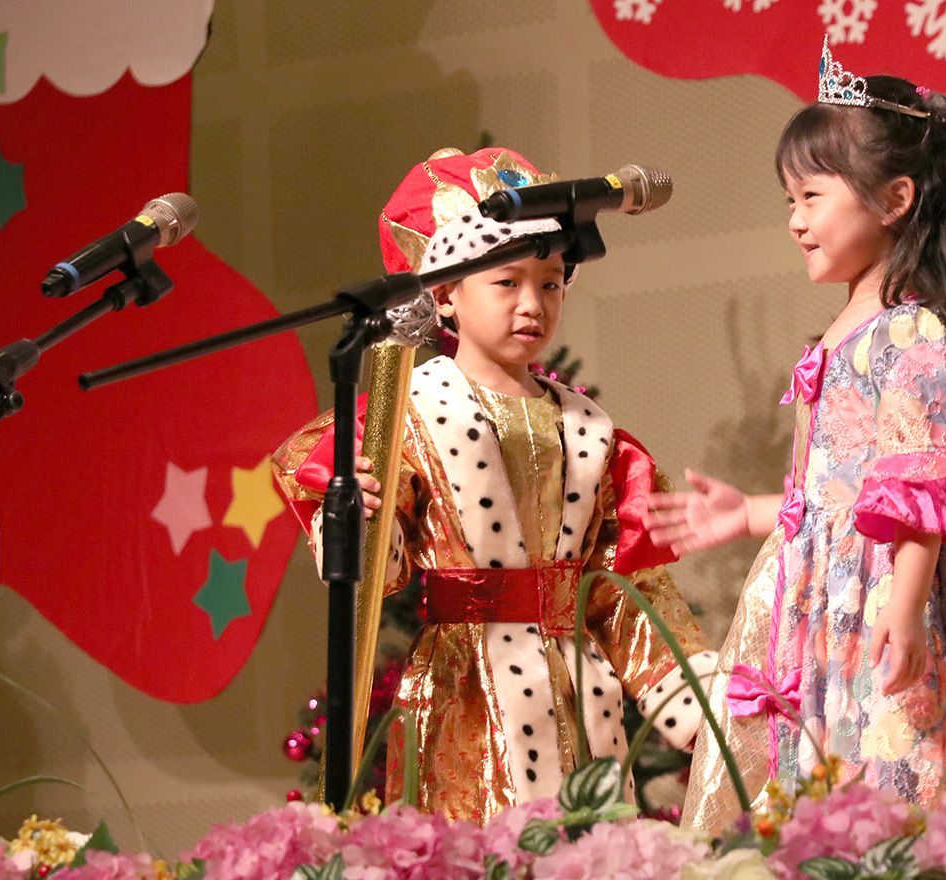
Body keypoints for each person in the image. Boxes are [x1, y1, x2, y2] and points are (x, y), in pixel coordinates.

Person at [648, 44, 946, 834]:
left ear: (894, 198)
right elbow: (840, 487)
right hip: (829, 593)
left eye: (811, 195)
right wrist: (752, 512)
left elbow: (920, 488)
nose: (794, 219)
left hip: (885, 590)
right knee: (823, 780)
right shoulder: (847, 330)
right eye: (788, 200)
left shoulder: (912, 333)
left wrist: (904, 607)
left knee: (893, 767)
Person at [273, 147, 714, 824]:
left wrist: (701, 705)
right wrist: (359, 515)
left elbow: (627, 590)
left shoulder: (590, 433)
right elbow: (378, 575)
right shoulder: (406, 414)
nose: (532, 304)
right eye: (507, 282)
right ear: (445, 294)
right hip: (464, 689)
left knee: (586, 858)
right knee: (472, 858)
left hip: (577, 694)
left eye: (551, 284)